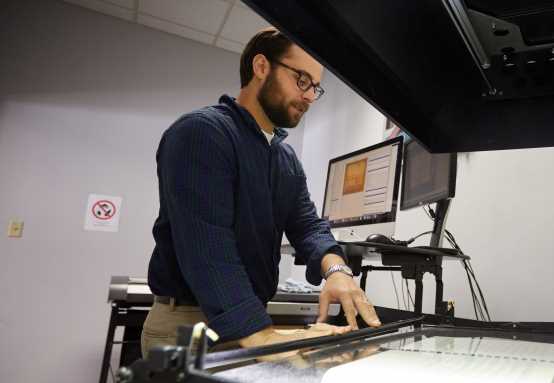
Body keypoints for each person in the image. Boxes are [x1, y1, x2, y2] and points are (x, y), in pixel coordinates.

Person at [141, 29, 380, 357]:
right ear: (261, 66)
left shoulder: (284, 158)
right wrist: (258, 334)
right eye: (302, 80)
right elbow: (208, 249)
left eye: (315, 87)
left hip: (248, 315)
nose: (310, 96)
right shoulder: (201, 133)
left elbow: (308, 226)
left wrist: (337, 270)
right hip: (191, 323)